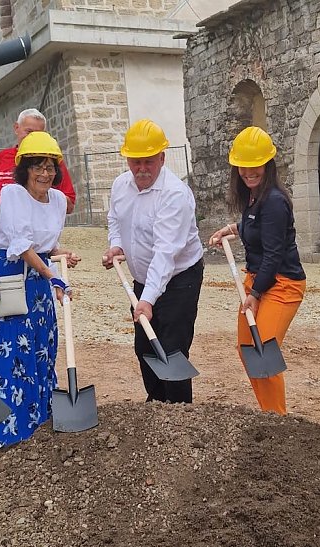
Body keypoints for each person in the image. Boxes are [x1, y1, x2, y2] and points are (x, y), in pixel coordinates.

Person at [0, 132, 75, 448]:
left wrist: (60, 256)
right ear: (24, 168)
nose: (45, 173)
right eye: (37, 166)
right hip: (12, 276)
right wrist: (51, 274)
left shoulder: (58, 201)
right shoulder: (11, 194)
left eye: (50, 167)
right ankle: (6, 433)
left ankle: (38, 423)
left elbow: (44, 244)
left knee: (42, 347)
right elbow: (21, 243)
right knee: (11, 352)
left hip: (39, 281)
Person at [101, 119, 204, 404]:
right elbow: (115, 220)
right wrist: (116, 244)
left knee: (172, 349)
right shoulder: (121, 186)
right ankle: (156, 404)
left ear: (161, 157)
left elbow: (165, 253)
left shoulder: (175, 195)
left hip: (179, 279)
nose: (141, 169)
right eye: (135, 162)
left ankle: (180, 412)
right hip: (143, 279)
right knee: (144, 346)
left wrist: (147, 300)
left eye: (148, 162)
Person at [208, 127, 306, 415]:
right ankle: (267, 411)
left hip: (283, 283)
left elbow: (274, 253)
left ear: (268, 164)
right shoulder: (253, 196)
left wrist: (256, 292)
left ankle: (277, 417)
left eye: (255, 166)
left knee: (265, 348)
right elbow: (256, 227)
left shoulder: (274, 200)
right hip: (259, 279)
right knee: (246, 348)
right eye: (243, 166)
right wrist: (231, 229)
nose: (249, 172)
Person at [0, 109, 77, 249]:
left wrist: (42, 191)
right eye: (29, 132)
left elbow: (69, 205)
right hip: (4, 240)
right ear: (16, 128)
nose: (33, 138)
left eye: (39, 134)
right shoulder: (1, 158)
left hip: (38, 241)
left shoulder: (53, 163)